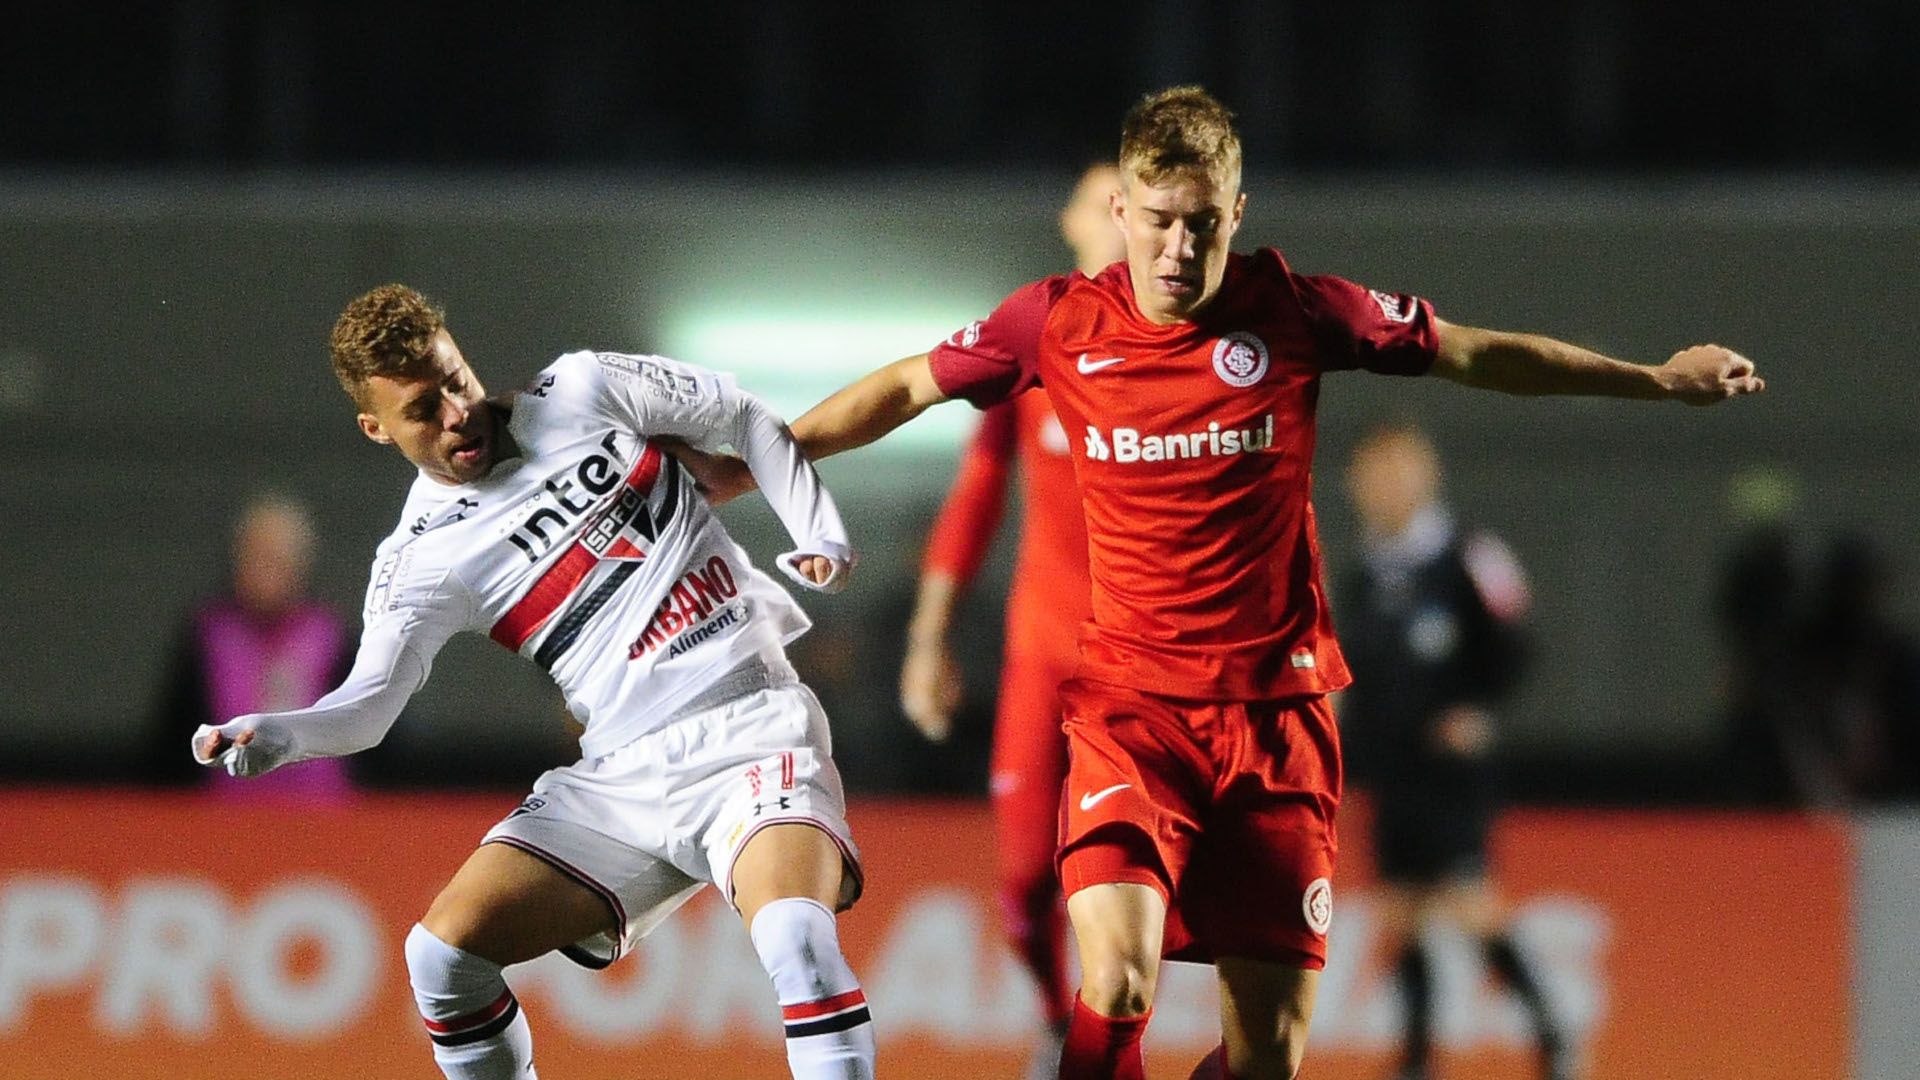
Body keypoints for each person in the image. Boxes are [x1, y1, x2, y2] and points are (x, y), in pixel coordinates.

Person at [679, 86, 1763, 1080]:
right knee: (1114, 982)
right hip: (1130, 715)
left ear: (1237, 210)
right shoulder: (1059, 323)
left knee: (1270, 1051)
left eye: (1202, 221)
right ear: (1123, 208)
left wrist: (1656, 381)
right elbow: (909, 384)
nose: (1178, 245)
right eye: (1156, 218)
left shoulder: (1300, 312)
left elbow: (1479, 354)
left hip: (1279, 726)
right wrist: (758, 463)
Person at [191, 284, 876, 1080]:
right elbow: (368, 707)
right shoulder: (422, 559)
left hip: (753, 729)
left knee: (795, 938)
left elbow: (745, 417)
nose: (455, 413)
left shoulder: (583, 388)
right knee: (441, 960)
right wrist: (282, 732)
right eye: (422, 409)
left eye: (455, 379)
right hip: (621, 778)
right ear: (375, 428)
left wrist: (819, 528)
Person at [898, 162, 1123, 1079]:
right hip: (1042, 660)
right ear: (1075, 220)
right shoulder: (1037, 338)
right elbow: (978, 491)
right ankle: (1049, 1016)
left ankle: (1102, 1044)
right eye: (1098, 195)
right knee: (1027, 885)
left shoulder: (1188, 352)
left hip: (1142, 674)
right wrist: (927, 639)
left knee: (1118, 890)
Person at [1336, 423, 1572, 1080]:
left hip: (1449, 771)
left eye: (1397, 469)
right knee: (1400, 910)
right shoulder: (1368, 571)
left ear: (1426, 473)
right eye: (1372, 473)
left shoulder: (1470, 554)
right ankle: (1416, 1058)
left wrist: (1479, 710)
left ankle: (1552, 1035)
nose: (1383, 486)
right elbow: (1352, 669)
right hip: (1389, 769)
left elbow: (1517, 642)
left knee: (1471, 903)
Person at [147, 492, 357, 799]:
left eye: (276, 561)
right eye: (256, 559)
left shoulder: (331, 636)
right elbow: (172, 747)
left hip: (319, 817)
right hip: (225, 819)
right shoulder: (209, 635)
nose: (265, 574)